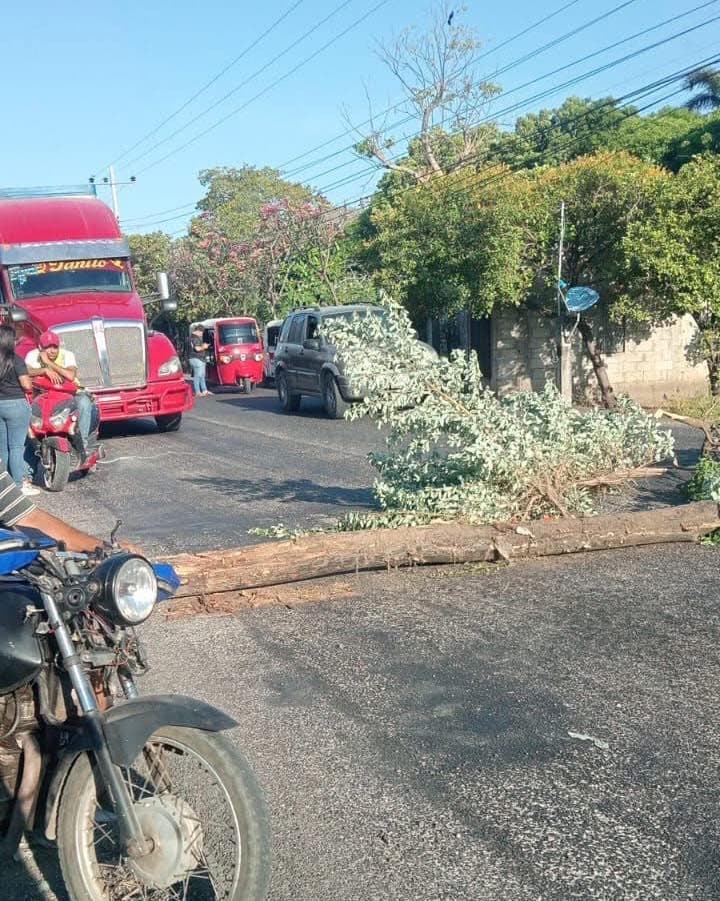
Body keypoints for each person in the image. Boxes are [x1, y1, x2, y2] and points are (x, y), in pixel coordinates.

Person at [25, 331, 98, 458]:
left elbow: (70, 375)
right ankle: (36, 447)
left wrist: (48, 363)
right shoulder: (32, 356)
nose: (52, 351)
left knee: (84, 403)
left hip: (69, 394)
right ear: (40, 347)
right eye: (48, 347)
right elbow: (25, 371)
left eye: (55, 347)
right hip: (44, 395)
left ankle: (82, 444)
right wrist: (44, 370)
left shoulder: (67, 355)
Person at [0, 326, 38, 497]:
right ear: (10, 341)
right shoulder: (16, 360)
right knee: (16, 447)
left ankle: (4, 485)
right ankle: (17, 485)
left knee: (3, 448)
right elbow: (26, 385)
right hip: (16, 405)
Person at [189, 327, 212, 397]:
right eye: (201, 332)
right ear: (198, 331)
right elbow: (197, 348)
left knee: (202, 375)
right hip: (196, 358)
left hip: (200, 358)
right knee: (198, 375)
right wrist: (204, 346)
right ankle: (198, 392)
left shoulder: (194, 337)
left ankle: (204, 390)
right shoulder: (194, 338)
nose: (202, 334)